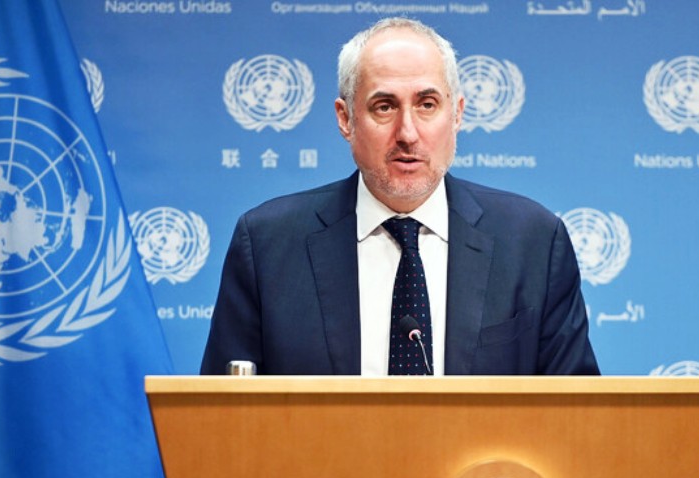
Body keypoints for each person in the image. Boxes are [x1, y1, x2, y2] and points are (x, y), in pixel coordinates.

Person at [200, 17, 599, 376]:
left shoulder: (533, 242)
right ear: (345, 118)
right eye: (384, 106)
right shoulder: (267, 245)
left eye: (427, 104)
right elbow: (221, 420)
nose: (407, 133)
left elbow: (578, 418)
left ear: (457, 114)